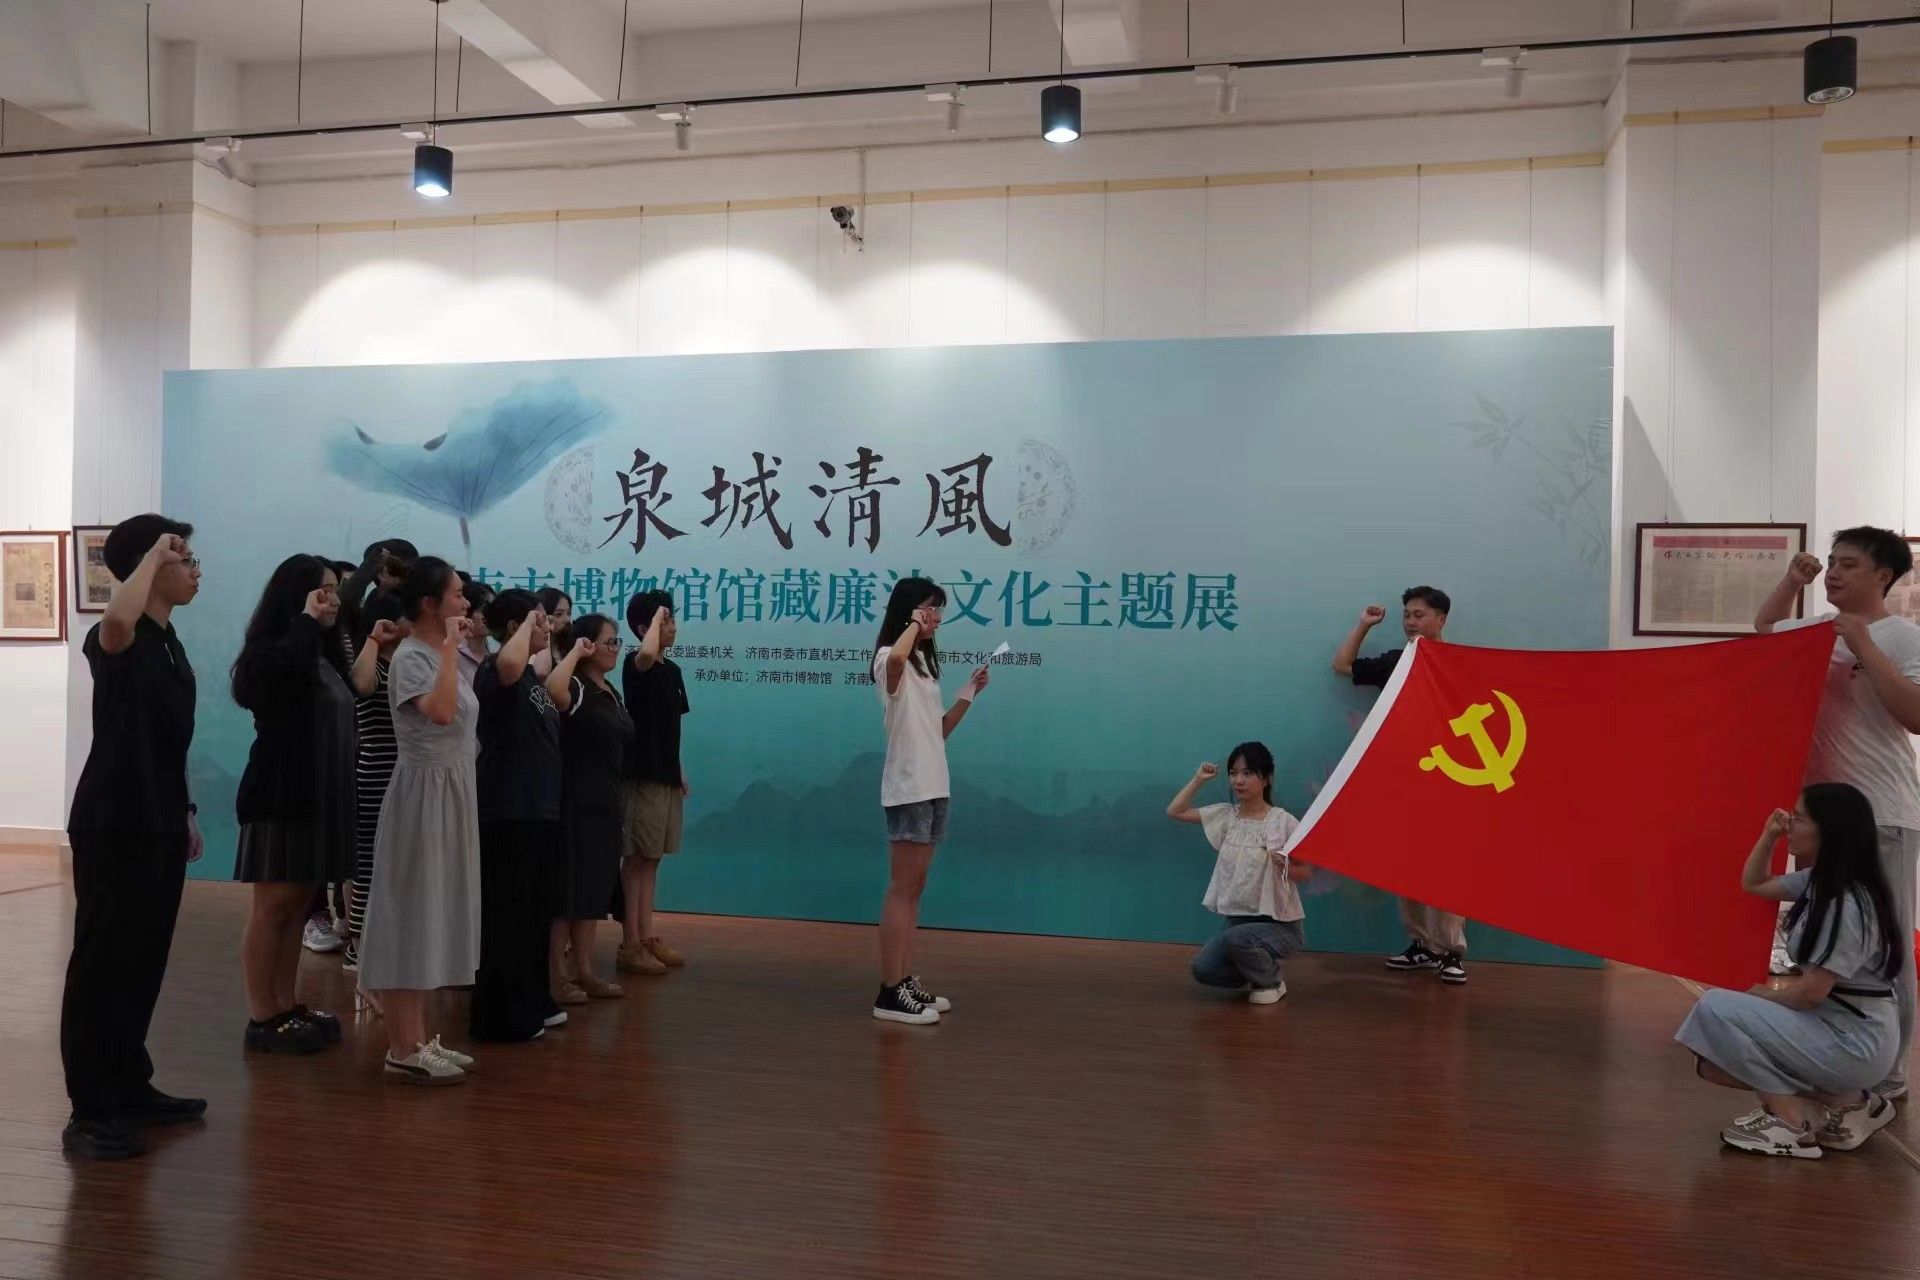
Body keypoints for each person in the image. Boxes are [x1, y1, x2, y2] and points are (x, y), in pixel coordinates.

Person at [1756, 527, 1920, 1099]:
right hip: (1819, 817)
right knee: (1820, 938)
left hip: (1882, 812)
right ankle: (1828, 1056)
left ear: (1883, 575)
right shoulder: (1816, 630)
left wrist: (1865, 646)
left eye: (1848, 564)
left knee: (1886, 943)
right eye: (1831, 563)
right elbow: (1764, 632)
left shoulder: (1903, 636)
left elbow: (1916, 716)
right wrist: (1789, 582)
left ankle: (1890, 1077)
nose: (1834, 572)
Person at [59, 515, 205, 1160]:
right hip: (114, 820)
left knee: (143, 962)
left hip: (159, 818)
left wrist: (187, 810)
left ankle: (128, 1083)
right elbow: (117, 620)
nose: (196, 569)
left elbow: (168, 740)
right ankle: (91, 1111)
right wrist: (150, 555)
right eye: (184, 558)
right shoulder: (116, 635)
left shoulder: (170, 643)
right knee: (103, 966)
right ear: (151, 564)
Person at [1675, 786, 1905, 1158]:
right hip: (1838, 1028)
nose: (1788, 826)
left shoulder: (1846, 903)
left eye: (1798, 818)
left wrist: (1757, 995)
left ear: (1828, 830)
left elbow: (1812, 992)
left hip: (1855, 1042)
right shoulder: (1821, 882)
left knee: (1714, 1008)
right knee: (1713, 1063)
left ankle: (1792, 1122)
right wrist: (1769, 836)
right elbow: (1755, 883)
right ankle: (1849, 1101)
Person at [358, 557, 483, 1084]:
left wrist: (451, 648)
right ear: (430, 603)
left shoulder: (435, 651)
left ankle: (416, 1040)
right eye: (456, 594)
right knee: (408, 913)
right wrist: (452, 647)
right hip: (421, 797)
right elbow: (442, 711)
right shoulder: (413, 656)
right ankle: (401, 1048)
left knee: (433, 912)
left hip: (452, 793)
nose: (465, 603)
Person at [232, 554, 357, 1055]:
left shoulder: (324, 651)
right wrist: (306, 621)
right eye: (322, 591)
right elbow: (256, 688)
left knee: (299, 906)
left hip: (320, 795)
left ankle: (285, 1005)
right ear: (297, 596)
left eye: (335, 590)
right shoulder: (275, 648)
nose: (332, 600)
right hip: (282, 792)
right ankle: (262, 1015)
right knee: (274, 906)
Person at [1332, 585, 1470, 984]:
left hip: (1451, 777)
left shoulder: (1462, 663)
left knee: (1448, 868)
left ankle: (1451, 951)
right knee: (1407, 864)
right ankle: (1422, 945)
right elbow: (1342, 665)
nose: (1411, 622)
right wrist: (1364, 625)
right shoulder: (1397, 661)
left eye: (1419, 615)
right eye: (1407, 615)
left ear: (1441, 619)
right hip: (1404, 778)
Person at [870, 578, 991, 1025]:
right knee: (902, 888)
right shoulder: (889, 658)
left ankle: (903, 980)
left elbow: (937, 732)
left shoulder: (922, 665)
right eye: (929, 609)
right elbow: (895, 657)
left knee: (915, 888)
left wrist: (968, 694)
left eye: (937, 611)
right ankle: (889, 991)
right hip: (908, 787)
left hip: (934, 784)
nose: (936, 618)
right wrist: (912, 626)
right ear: (909, 612)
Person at [470, 589, 572, 1037]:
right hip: (508, 810)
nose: (549, 626)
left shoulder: (531, 676)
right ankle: (499, 1017)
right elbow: (509, 665)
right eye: (540, 620)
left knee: (534, 914)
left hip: (539, 810)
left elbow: (555, 691)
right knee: (508, 914)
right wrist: (526, 626)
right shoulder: (495, 668)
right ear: (515, 627)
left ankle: (533, 999)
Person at [1165, 744, 1310, 1004]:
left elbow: (1306, 873)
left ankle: (1271, 981)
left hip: (1280, 924)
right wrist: (1199, 779)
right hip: (1238, 923)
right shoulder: (1226, 816)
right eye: (1233, 773)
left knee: (1236, 938)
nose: (1238, 780)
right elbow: (1175, 811)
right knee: (1203, 969)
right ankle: (1257, 970)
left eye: (1248, 773)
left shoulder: (1283, 821)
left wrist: (1285, 866)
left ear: (1266, 778)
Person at [551, 612, 633, 998]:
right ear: (587, 645)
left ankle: (584, 970)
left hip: (607, 802)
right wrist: (575, 654)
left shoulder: (610, 690)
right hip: (576, 802)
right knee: (567, 893)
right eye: (608, 641)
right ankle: (556, 976)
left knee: (594, 890)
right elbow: (553, 691)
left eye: (617, 641)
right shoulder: (576, 685)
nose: (615, 648)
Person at [616, 591, 692, 979]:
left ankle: (647, 936)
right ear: (645, 628)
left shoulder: (673, 671)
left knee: (653, 857)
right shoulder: (636, 664)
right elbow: (646, 654)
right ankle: (630, 942)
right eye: (666, 621)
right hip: (641, 774)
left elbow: (672, 728)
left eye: (673, 619)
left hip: (665, 774)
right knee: (636, 859)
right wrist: (655, 618)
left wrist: (678, 770)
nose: (674, 627)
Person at [343, 589, 408, 972]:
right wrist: (373, 639)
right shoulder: (374, 663)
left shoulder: (404, 664)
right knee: (368, 864)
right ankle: (357, 944)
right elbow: (362, 684)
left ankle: (385, 942)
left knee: (393, 865)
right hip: (374, 777)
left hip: (401, 778)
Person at [456, 575, 496, 686]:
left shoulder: (496, 650)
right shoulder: (451, 651)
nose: (491, 616)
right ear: (467, 611)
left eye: (494, 611)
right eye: (485, 610)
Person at [529, 586, 573, 679]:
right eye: (559, 614)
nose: (567, 619)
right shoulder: (531, 647)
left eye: (569, 613)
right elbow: (541, 672)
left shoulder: (569, 645)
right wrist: (545, 628)